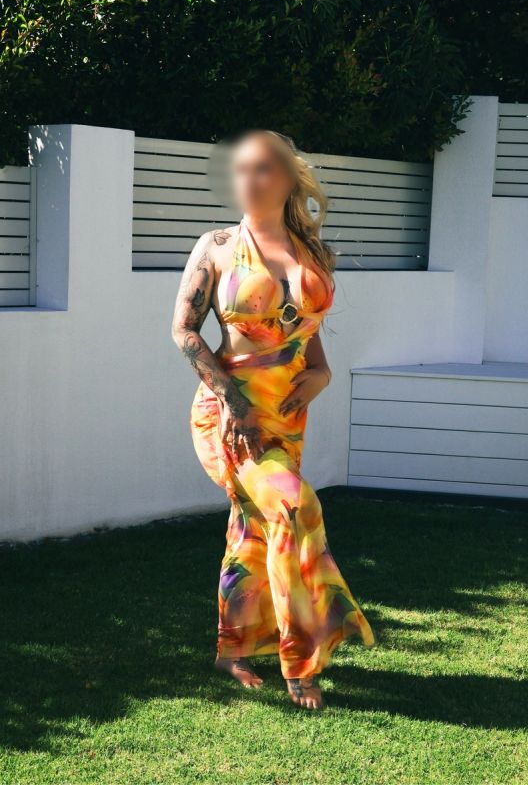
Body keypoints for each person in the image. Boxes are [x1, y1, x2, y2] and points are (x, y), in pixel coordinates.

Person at [171, 130, 375, 710]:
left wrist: (323, 372)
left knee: (253, 527)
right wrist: (234, 404)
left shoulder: (314, 252)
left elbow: (306, 332)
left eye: (261, 168)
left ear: (288, 177)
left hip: (287, 416)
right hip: (230, 415)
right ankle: (301, 660)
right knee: (294, 508)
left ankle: (231, 649)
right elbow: (184, 331)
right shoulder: (216, 247)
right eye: (240, 169)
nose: (247, 180)